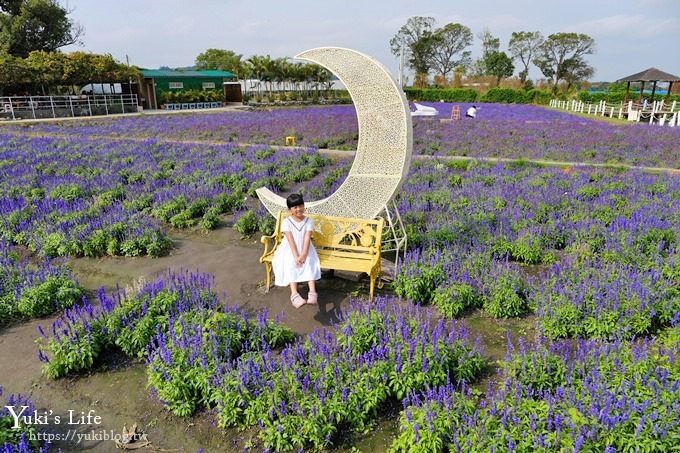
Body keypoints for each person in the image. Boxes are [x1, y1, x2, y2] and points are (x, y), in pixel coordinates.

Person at [272, 193, 321, 308]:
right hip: (289, 249)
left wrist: (303, 254)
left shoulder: (309, 221)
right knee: (291, 263)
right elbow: (290, 241)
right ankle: (294, 294)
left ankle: (312, 291)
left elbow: (307, 238)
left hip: (305, 247)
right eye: (295, 207)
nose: (298, 209)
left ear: (304, 206)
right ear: (290, 210)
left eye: (300, 206)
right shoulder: (287, 222)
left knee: (309, 261)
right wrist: (296, 256)